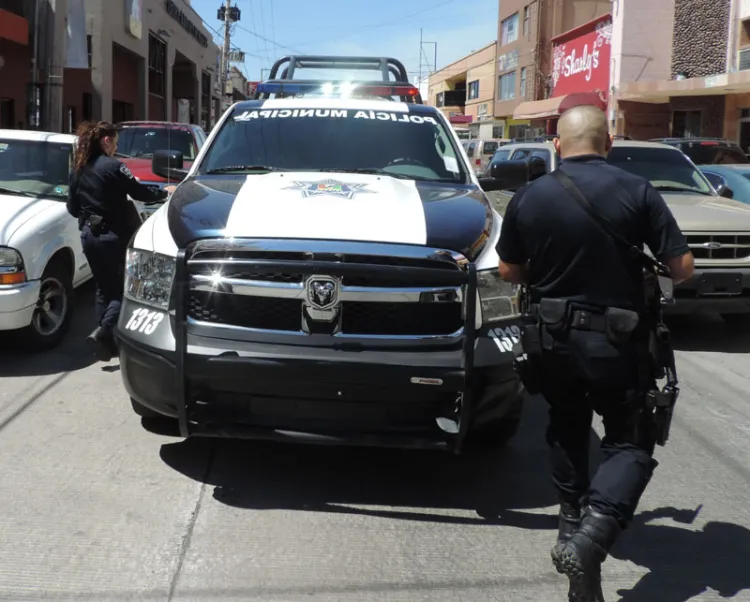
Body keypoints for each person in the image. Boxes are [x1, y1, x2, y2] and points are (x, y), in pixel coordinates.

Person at [496, 105, 694, 601]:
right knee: (629, 440)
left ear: (558, 145)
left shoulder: (529, 195)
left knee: (566, 423)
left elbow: (507, 271)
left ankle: (570, 526)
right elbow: (683, 267)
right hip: (617, 343)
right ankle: (592, 536)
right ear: (608, 142)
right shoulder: (637, 190)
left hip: (552, 339)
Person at [66, 121, 175, 361]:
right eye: (115, 142)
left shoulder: (78, 168)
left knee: (103, 289)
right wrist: (163, 193)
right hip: (113, 237)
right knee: (122, 291)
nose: (116, 147)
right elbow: (139, 192)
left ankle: (107, 345)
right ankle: (104, 332)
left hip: (88, 235)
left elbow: (72, 208)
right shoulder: (114, 167)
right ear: (106, 141)